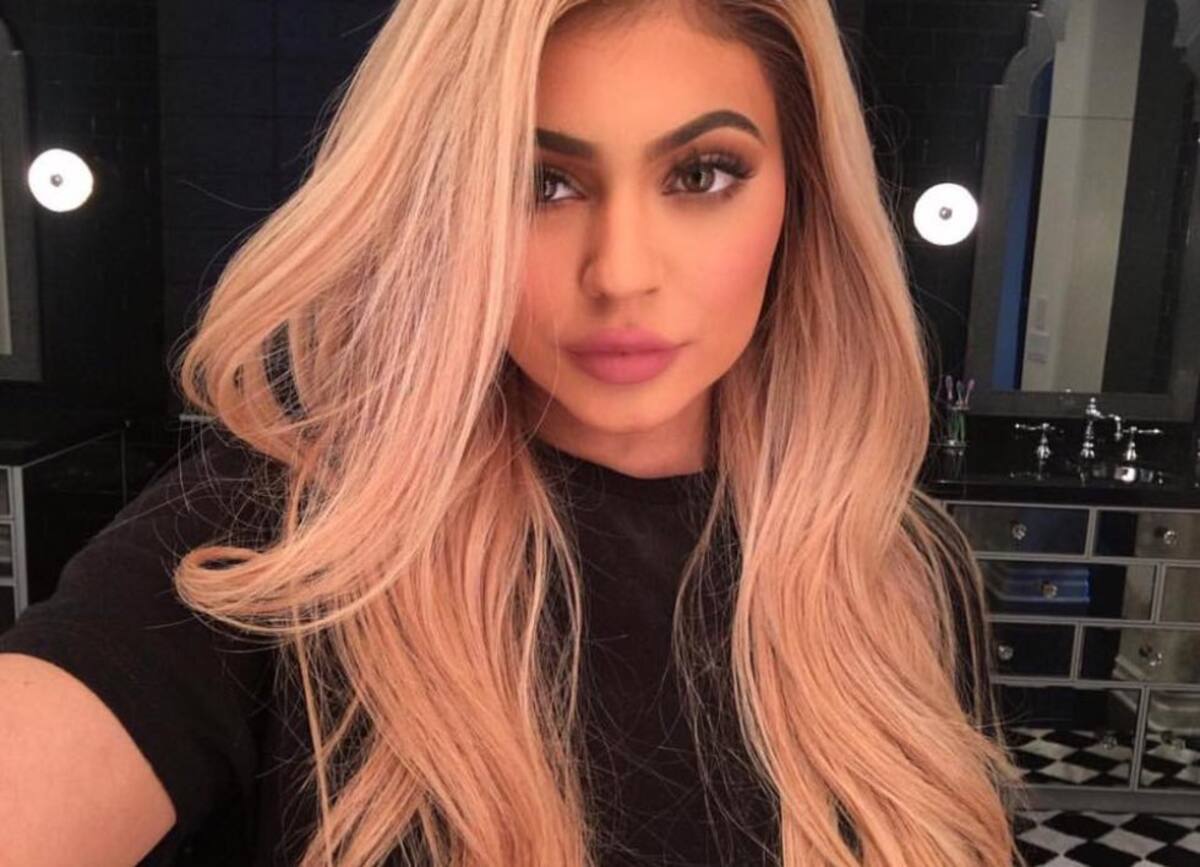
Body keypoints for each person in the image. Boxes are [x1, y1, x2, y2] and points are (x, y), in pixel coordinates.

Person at [0, 0, 1030, 865]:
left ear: (801, 196)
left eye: (702, 174)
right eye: (540, 182)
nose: (621, 271)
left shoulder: (899, 571)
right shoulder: (279, 546)